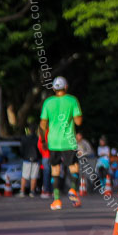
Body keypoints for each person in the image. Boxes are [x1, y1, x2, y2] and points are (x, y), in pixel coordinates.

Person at [40, 76, 83, 210]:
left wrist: (43, 140)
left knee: (55, 170)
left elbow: (42, 124)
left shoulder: (48, 102)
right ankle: (73, 190)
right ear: (66, 87)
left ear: (53, 88)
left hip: (53, 141)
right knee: (73, 167)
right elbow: (78, 121)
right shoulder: (72, 100)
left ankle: (57, 200)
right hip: (68, 141)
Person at [19, 124, 41, 197]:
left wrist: (23, 156)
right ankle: (32, 191)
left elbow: (21, 149)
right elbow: (39, 149)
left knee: (24, 176)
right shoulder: (37, 139)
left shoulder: (24, 138)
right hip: (35, 159)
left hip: (26, 159)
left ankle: (22, 191)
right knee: (34, 176)